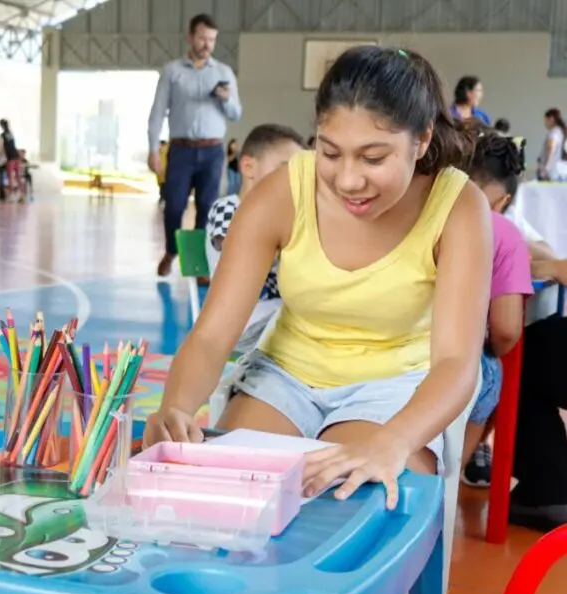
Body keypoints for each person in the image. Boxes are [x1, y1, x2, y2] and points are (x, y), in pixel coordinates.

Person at [144, 46, 492, 505]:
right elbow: (211, 336)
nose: (348, 180)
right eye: (330, 152)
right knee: (233, 495)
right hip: (284, 375)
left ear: (422, 139)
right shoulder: (282, 193)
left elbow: (455, 363)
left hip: (395, 385)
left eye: (373, 158)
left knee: (353, 500)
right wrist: (176, 408)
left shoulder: (458, 207)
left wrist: (395, 440)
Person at [460, 131, 533, 487]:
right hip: (458, 364)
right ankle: (459, 467)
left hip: (391, 351)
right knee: (490, 373)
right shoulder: (504, 233)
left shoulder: (418, 212)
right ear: (503, 200)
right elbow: (506, 330)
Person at [147, 13, 242, 278]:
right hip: (181, 150)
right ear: (190, 37)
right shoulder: (172, 71)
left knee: (207, 207)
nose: (206, 44)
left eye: (211, 39)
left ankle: (199, 263)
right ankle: (171, 251)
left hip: (212, 151)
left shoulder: (224, 73)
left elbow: (236, 113)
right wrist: (154, 149)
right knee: (174, 205)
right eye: (202, 38)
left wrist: (225, 99)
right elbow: (157, 112)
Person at [206, 124, 306, 351]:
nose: (295, 180)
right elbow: (242, 255)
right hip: (244, 321)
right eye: (285, 169)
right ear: (249, 167)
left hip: (280, 315)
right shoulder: (229, 208)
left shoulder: (285, 214)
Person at [0, 119, 24, 202]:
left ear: (1, 126)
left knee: (10, 177)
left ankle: (11, 196)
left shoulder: (2, 135)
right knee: (18, 177)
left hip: (11, 159)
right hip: (16, 157)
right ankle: (22, 196)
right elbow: (12, 145)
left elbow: (1, 148)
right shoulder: (11, 133)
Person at [537, 108, 567, 181]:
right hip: (559, 170)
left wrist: (546, 168)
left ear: (551, 119)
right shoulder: (561, 132)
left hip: (550, 171)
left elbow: (551, 150)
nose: (545, 122)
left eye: (545, 120)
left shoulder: (554, 132)